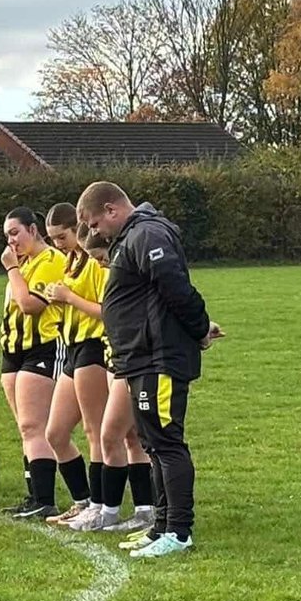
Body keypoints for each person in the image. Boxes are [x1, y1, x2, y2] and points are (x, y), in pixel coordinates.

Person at [78, 182, 222, 557]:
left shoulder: (147, 234)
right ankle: (161, 526)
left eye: (94, 224)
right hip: (140, 359)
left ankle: (178, 531)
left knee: (166, 443)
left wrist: (199, 329)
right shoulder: (132, 237)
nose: (95, 233)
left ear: (111, 209)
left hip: (158, 360)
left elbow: (176, 288)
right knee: (153, 445)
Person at [56, 225, 155, 533]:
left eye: (100, 256)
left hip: (127, 359)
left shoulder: (119, 271)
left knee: (113, 435)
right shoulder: (92, 266)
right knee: (125, 436)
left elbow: (112, 313)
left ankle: (109, 510)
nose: (99, 262)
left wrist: (70, 298)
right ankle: (140, 510)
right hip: (115, 358)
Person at [0, 206, 70, 520]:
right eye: (7, 236)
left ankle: (45, 499)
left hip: (41, 347)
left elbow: (30, 305)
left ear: (33, 229)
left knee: (33, 426)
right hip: (13, 349)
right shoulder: (24, 263)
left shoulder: (50, 260)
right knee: (25, 428)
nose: (11, 241)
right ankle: (34, 495)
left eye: (15, 233)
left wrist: (12, 269)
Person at [37, 203, 99, 522]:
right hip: (72, 348)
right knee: (56, 433)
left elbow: (106, 309)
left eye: (62, 237)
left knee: (95, 431)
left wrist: (69, 297)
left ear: (78, 230)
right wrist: (57, 300)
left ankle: (101, 506)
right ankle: (83, 500)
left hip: (94, 347)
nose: (57, 244)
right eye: (52, 239)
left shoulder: (96, 261)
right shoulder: (69, 261)